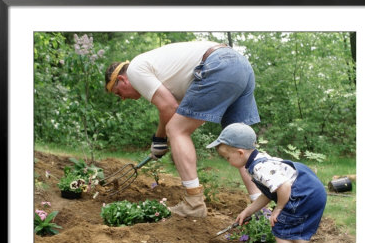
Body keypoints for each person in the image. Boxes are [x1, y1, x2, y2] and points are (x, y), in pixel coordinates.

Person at [105, 41, 261, 218]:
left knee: (177, 130)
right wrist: (161, 139)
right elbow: (177, 109)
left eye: (118, 92)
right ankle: (260, 207)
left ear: (122, 79)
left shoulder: (134, 70)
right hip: (240, 65)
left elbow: (169, 108)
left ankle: (193, 204)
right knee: (240, 143)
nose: (123, 98)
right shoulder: (161, 71)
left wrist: (159, 138)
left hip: (217, 64)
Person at [206, 123, 327, 243]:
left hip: (303, 195)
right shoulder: (261, 159)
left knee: (280, 226)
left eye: (227, 157)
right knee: (292, 227)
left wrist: (279, 208)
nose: (228, 161)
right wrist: (248, 211)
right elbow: (269, 194)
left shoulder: (259, 167)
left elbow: (284, 187)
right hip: (312, 193)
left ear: (240, 153)